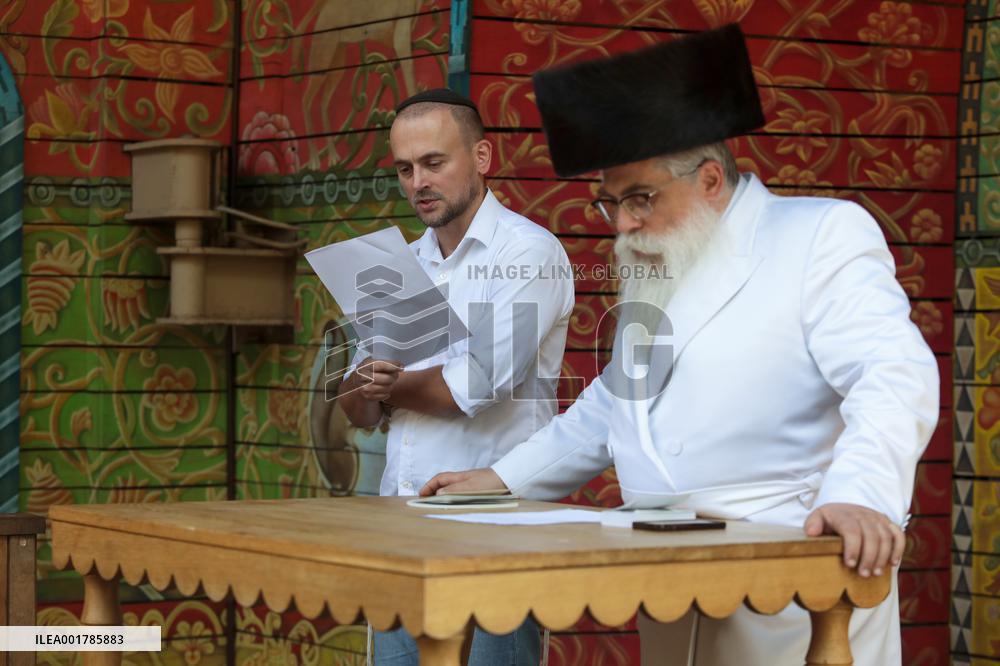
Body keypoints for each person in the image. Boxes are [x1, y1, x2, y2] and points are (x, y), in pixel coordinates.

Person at [420, 25, 939, 665]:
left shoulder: (820, 236)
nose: (624, 224)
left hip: (795, 588)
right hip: (671, 583)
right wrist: (501, 479)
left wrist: (860, 496)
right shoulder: (658, 262)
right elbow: (615, 405)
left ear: (711, 180)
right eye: (612, 203)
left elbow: (893, 371)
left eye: (640, 199)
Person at [337, 89, 574, 665]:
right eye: (404, 168)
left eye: (434, 163)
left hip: (495, 525)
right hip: (401, 517)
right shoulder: (396, 264)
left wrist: (388, 385)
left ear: (483, 157)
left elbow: (471, 388)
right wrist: (368, 384)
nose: (418, 181)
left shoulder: (529, 253)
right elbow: (353, 404)